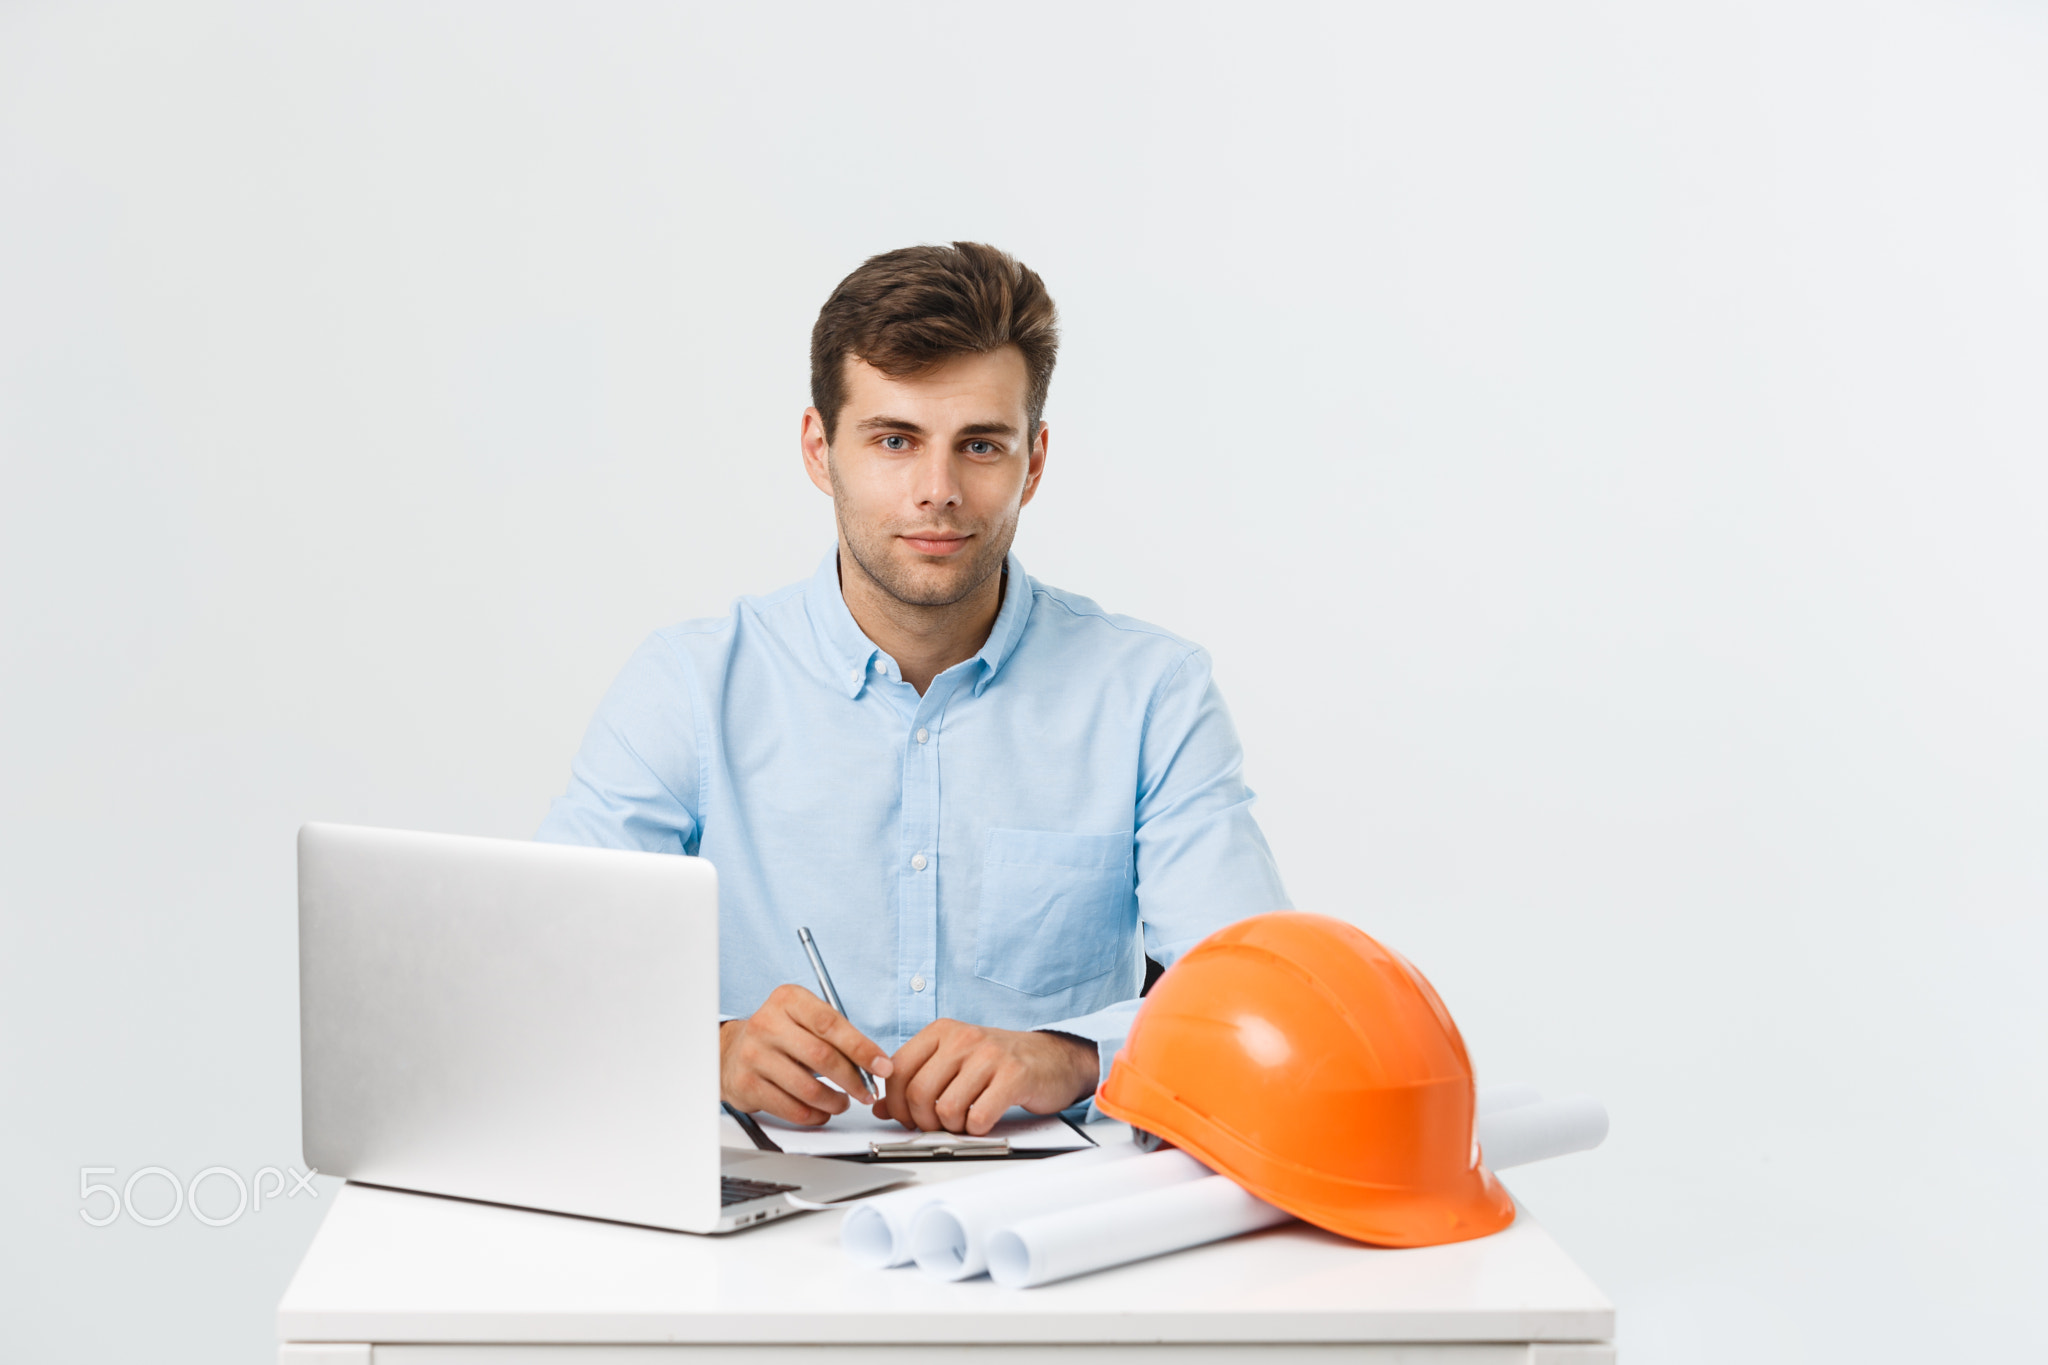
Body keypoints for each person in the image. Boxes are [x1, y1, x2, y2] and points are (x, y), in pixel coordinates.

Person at [537, 242, 1288, 1136]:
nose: (939, 491)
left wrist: (1070, 1054)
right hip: (762, 1213)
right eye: (895, 440)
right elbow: (548, 971)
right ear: (821, 450)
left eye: (980, 445)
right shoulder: (689, 687)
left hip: (1047, 1221)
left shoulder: (1151, 695)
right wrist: (714, 1046)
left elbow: (1256, 1004)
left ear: (1033, 463)